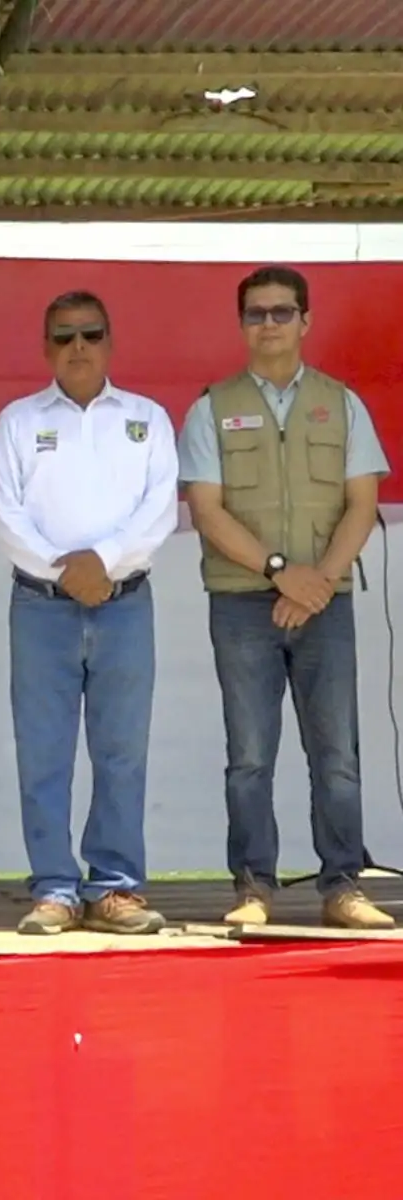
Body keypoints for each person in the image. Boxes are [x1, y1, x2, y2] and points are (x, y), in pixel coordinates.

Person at [177, 264, 393, 931]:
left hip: (325, 602)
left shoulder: (342, 402)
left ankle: (343, 885)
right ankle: (253, 887)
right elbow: (207, 510)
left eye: (281, 312)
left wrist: (318, 579)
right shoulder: (210, 407)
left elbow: (363, 502)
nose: (268, 324)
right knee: (250, 755)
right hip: (243, 603)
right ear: (241, 324)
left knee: (337, 755)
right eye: (255, 313)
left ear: (306, 320)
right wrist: (281, 572)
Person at [0, 292, 178, 936]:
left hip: (124, 604)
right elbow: (4, 514)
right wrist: (65, 570)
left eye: (90, 335)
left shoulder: (147, 419)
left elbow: (160, 511)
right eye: (63, 337)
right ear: (45, 347)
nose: (78, 347)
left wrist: (101, 561)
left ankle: (115, 887)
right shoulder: (17, 420)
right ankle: (54, 888)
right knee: (44, 752)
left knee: (121, 751)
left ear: (109, 341)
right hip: (41, 606)